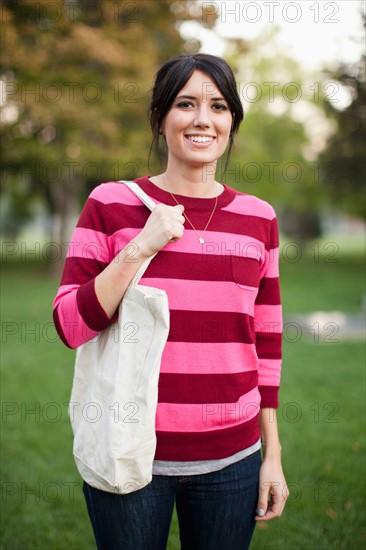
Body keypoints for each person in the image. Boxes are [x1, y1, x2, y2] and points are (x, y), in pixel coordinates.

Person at [53, 53, 289, 550]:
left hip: (234, 459)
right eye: (186, 103)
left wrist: (273, 454)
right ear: (161, 119)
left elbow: (266, 343)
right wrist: (142, 243)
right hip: (130, 453)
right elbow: (70, 325)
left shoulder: (258, 218)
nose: (203, 119)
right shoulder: (110, 204)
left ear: (231, 123)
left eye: (219, 106)